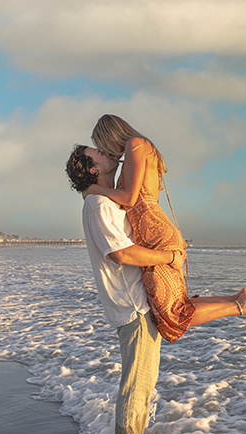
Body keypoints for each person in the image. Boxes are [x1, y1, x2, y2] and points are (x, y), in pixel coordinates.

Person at [66, 144, 246, 434]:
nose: (108, 153)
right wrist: (168, 258)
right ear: (92, 169)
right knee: (137, 385)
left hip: (137, 300)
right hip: (132, 306)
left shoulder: (101, 198)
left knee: (156, 355)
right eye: (100, 154)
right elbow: (120, 253)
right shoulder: (97, 204)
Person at [83, 114, 201, 342]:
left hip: (156, 235)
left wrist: (93, 190)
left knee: (172, 315)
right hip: (151, 235)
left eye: (103, 146)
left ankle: (239, 304)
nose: (106, 152)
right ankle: (239, 300)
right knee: (171, 311)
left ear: (110, 135)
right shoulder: (135, 149)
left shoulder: (136, 144)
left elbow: (128, 198)